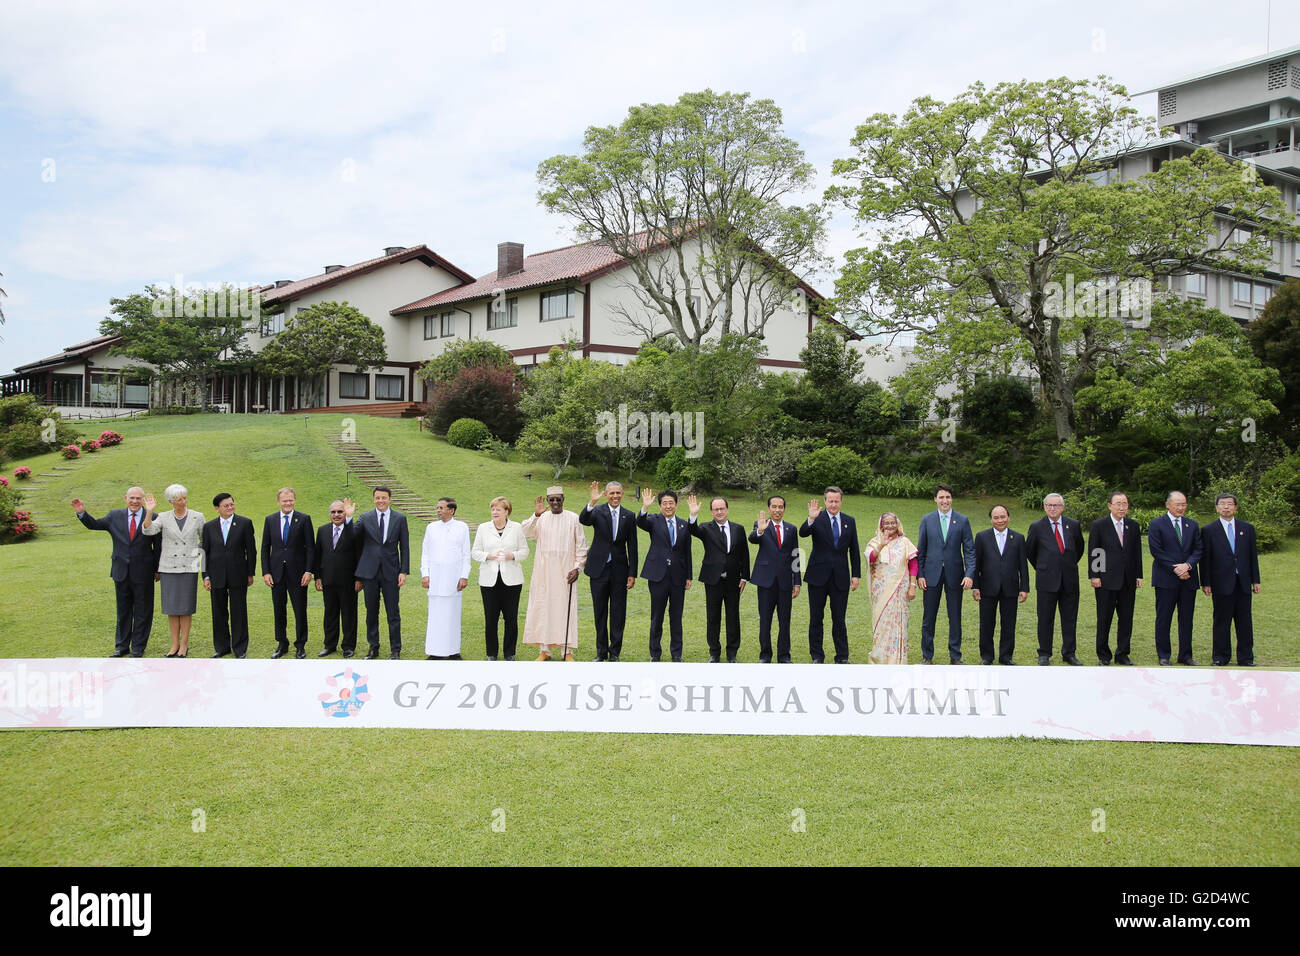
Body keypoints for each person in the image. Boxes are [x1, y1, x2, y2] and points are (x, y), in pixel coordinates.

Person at [72, 487, 161, 657]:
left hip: (144, 572)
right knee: (123, 610)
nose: (135, 501)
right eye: (132, 498)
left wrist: (157, 569)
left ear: (143, 500)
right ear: (125, 499)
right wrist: (82, 513)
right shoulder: (114, 515)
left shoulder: (153, 517)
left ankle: (138, 648)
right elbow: (95, 525)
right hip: (121, 571)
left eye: (138, 498)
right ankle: (121, 646)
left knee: (143, 611)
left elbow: (158, 546)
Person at [521, 486, 588, 661]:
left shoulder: (573, 518)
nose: (555, 502)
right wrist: (536, 515)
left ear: (563, 499)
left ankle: (566, 651)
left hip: (566, 572)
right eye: (552, 499)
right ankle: (545, 650)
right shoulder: (541, 518)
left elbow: (581, 545)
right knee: (544, 608)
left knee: (565, 609)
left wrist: (577, 567)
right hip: (544, 572)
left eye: (558, 499)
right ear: (548, 500)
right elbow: (525, 532)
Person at [140, 485, 204, 658]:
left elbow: (205, 541)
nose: (183, 502)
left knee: (185, 608)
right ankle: (174, 644)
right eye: (179, 499)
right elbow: (148, 530)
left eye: (184, 498)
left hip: (188, 568)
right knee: (172, 608)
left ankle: (184, 644)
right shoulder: (163, 517)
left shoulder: (198, 517)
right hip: (168, 568)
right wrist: (149, 511)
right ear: (171, 502)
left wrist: (193, 554)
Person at [915, 484, 976, 664]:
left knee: (955, 616)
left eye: (948, 497)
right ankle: (927, 655)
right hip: (931, 576)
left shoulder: (962, 520)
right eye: (941, 497)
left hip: (955, 576)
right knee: (929, 617)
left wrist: (969, 574)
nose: (945, 501)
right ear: (935, 499)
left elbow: (970, 550)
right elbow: (921, 550)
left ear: (952, 499)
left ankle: (955, 655)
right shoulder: (927, 520)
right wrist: (920, 574)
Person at [799, 486, 860, 664]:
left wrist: (855, 574)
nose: (833, 504)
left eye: (836, 501)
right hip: (818, 576)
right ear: (825, 501)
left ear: (841, 502)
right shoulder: (817, 518)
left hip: (840, 577)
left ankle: (842, 656)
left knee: (839, 619)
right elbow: (803, 533)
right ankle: (817, 656)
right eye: (830, 501)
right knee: (816, 617)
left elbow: (854, 550)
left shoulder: (850, 521)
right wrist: (810, 518)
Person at [1200, 493, 1261, 667]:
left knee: (1244, 621)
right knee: (1221, 621)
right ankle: (1220, 656)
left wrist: (1255, 580)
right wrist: (1206, 582)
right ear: (1217, 507)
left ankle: (1246, 657)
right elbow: (1206, 559)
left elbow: (1252, 556)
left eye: (1230, 504)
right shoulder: (1209, 530)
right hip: (1220, 583)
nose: (1226, 507)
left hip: (1242, 582)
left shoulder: (1247, 528)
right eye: (1222, 504)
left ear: (1235, 507)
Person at [579, 480, 638, 662]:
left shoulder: (629, 515)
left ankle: (614, 652)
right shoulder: (597, 511)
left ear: (622, 494)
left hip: (620, 570)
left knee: (618, 612)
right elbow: (584, 520)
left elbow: (633, 546)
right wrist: (592, 502)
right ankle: (601, 651)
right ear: (606, 494)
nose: (615, 496)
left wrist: (632, 573)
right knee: (600, 611)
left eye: (618, 493)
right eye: (611, 493)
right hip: (598, 569)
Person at [688, 494, 751, 662]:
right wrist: (693, 515)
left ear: (727, 509)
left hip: (733, 580)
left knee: (733, 616)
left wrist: (744, 577)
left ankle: (732, 653)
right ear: (711, 512)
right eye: (716, 509)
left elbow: (744, 554)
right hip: (713, 580)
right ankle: (714, 652)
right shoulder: (705, 528)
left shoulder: (738, 529)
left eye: (722, 508)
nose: (719, 512)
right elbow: (692, 530)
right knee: (713, 616)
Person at [1025, 493, 1084, 665]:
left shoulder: (1073, 525)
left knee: (1070, 618)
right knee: (1045, 618)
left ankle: (1069, 653)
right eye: (1049, 505)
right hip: (1046, 580)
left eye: (1056, 505)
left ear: (1063, 507)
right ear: (1044, 507)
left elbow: (1078, 549)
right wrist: (1044, 567)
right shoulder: (1036, 527)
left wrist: (1065, 565)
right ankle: (1044, 653)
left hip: (1070, 580)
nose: (1052, 508)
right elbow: (1030, 552)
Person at [1147, 490, 1202, 666]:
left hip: (1189, 579)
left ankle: (1185, 655)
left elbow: (1198, 549)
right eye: (1177, 504)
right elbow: (1157, 550)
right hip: (1166, 579)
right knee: (1164, 618)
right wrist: (1176, 568)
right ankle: (1164, 654)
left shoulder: (1192, 525)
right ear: (1168, 505)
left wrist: (1187, 565)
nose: (1181, 508)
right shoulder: (1157, 524)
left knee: (1186, 619)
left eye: (1184, 504)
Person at [1088, 491, 1143, 666]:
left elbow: (1137, 553)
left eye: (1124, 503)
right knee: (1104, 618)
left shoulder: (1133, 526)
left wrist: (1138, 574)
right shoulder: (1099, 525)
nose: (1121, 507)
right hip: (1106, 580)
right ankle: (1103, 655)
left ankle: (1122, 653)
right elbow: (1095, 551)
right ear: (1109, 505)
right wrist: (1095, 575)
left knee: (1126, 618)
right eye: (1118, 503)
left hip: (1128, 580)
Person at [354, 485, 409, 660]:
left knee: (393, 612)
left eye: (384, 498)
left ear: (389, 499)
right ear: (374, 499)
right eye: (377, 498)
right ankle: (373, 647)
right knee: (371, 611)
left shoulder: (400, 518)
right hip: (369, 572)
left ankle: (395, 649)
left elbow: (405, 547)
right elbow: (352, 537)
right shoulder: (365, 517)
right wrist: (348, 518)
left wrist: (404, 571)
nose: (380, 501)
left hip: (391, 572)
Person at [638, 488, 693, 662]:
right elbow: (640, 522)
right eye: (664, 503)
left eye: (671, 503)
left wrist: (689, 576)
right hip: (657, 576)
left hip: (678, 577)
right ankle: (655, 653)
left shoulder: (684, 525)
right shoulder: (653, 521)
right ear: (660, 505)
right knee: (657, 616)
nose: (668, 506)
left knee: (676, 617)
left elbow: (687, 552)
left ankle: (677, 653)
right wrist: (645, 508)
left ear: (676, 505)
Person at [471, 496, 529, 661]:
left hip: (512, 580)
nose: (494, 512)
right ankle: (491, 653)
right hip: (489, 580)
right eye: (493, 509)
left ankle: (509, 653)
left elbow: (525, 551)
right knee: (491, 618)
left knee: (511, 618)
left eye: (498, 509)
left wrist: (512, 555)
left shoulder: (516, 528)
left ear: (506, 511)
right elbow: (475, 551)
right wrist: (488, 555)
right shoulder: (483, 528)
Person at [261, 487, 315, 659]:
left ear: (295, 500)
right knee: (279, 609)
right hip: (276, 573)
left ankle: (300, 645)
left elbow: (310, 549)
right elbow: (264, 548)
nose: (288, 503)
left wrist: (308, 570)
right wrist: (266, 572)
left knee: (300, 610)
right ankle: (281, 643)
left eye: (291, 500)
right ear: (278, 502)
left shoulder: (304, 519)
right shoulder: (270, 520)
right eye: (284, 500)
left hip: (298, 574)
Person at [202, 492, 257, 659]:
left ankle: (240, 648)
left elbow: (251, 551)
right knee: (218, 612)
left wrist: (250, 573)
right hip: (216, 575)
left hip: (238, 575)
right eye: (226, 505)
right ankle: (221, 647)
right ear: (217, 508)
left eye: (232, 504)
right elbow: (204, 552)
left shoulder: (244, 523)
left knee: (238, 611)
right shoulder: (209, 527)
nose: (230, 507)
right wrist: (205, 576)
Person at [972, 505, 1029, 665]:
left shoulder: (1018, 538)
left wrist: (1024, 588)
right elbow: (976, 564)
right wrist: (975, 586)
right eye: (996, 517)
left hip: (1010, 588)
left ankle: (1006, 656)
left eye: (1003, 517)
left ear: (1008, 517)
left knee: (1009, 624)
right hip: (987, 588)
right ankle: (987, 656)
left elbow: (1022, 566)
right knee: (986, 624)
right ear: (991, 519)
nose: (1000, 520)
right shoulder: (982, 537)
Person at [749, 495, 801, 663]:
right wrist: (760, 530)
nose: (777, 510)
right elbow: (753, 539)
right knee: (765, 620)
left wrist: (797, 581)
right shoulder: (761, 525)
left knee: (784, 621)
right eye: (774, 507)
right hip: (766, 581)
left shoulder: (791, 529)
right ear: (769, 508)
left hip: (785, 582)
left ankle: (784, 656)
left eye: (780, 507)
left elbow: (796, 555)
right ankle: (765, 655)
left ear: (784, 509)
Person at [863, 512, 918, 665]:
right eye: (886, 523)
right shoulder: (874, 542)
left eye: (892, 522)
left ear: (897, 523)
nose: (890, 526)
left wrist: (912, 586)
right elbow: (871, 559)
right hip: (881, 592)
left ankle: (897, 659)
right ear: (881, 525)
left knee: (899, 623)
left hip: (901, 590)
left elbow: (913, 564)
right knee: (881, 623)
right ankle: (880, 658)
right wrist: (881, 544)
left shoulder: (905, 542)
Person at [421, 497, 472, 660]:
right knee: (435, 617)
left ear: (451, 510)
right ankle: (434, 651)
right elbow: (425, 553)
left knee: (452, 616)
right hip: (435, 578)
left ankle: (453, 651)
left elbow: (466, 554)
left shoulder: (461, 527)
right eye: (437, 507)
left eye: (441, 508)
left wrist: (464, 576)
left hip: (453, 579)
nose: (438, 510)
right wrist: (425, 574)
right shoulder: (431, 527)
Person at [312, 498, 360, 659]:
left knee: (348, 614)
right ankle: (329, 645)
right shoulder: (323, 530)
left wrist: (358, 579)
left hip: (348, 581)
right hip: (328, 580)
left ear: (345, 513)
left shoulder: (352, 529)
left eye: (340, 511)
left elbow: (357, 551)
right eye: (333, 512)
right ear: (329, 514)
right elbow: (318, 555)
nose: (337, 515)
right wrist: (317, 577)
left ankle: (348, 646)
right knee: (330, 614)